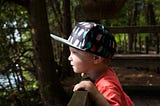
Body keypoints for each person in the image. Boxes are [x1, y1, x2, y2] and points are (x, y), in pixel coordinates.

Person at [51, 22, 134, 106]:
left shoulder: (107, 86)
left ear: (96, 58)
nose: (69, 58)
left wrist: (96, 94)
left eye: (74, 53)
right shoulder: (101, 73)